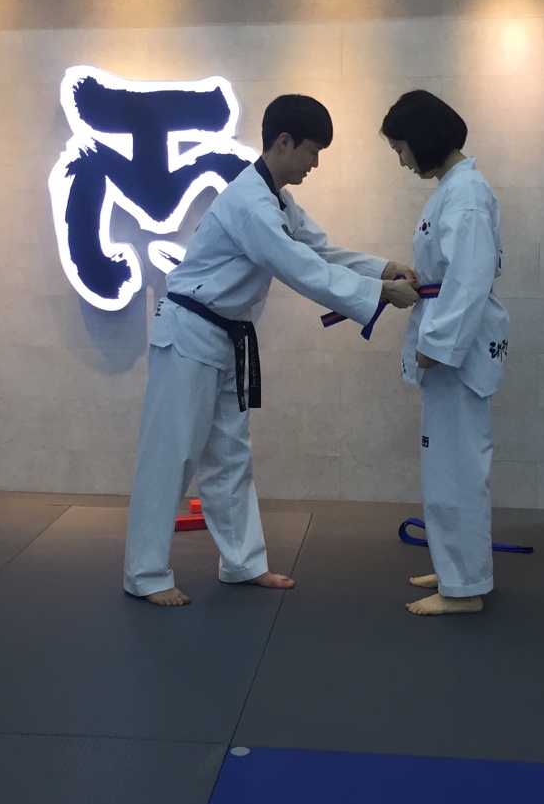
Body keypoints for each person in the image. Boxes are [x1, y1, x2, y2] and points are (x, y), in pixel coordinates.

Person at [124, 94, 420, 607]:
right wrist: (378, 293)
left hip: (225, 338)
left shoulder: (276, 199)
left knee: (230, 455)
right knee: (171, 455)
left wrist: (382, 268)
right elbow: (298, 268)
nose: (315, 164)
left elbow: (318, 250)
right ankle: (145, 574)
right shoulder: (250, 203)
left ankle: (243, 563)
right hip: (189, 335)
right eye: (312, 151)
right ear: (284, 142)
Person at [382, 90, 509, 616]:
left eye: (401, 148)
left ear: (423, 138)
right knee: (445, 465)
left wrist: (436, 346)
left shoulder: (466, 194)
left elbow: (469, 280)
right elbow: (449, 274)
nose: (402, 160)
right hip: (446, 339)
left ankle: (465, 589)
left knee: (457, 467)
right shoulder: (453, 189)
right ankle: (456, 566)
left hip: (457, 350)